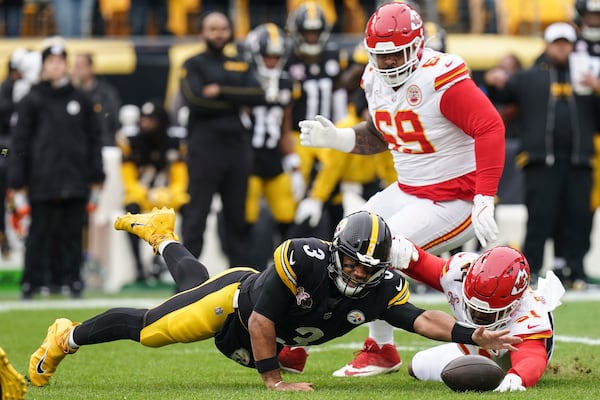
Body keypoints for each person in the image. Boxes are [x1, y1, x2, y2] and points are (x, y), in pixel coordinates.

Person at [27, 207, 521, 391]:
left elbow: (418, 318)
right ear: (335, 251)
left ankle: (161, 237)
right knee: (155, 330)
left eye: (366, 267)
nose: (355, 273)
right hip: (237, 304)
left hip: (269, 331)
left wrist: (470, 334)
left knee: (187, 288)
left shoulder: (381, 284)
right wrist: (273, 380)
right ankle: (64, 338)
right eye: (350, 262)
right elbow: (262, 318)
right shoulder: (302, 257)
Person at [297, 2, 505, 376]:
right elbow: (385, 133)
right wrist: (338, 137)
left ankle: (381, 347)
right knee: (349, 234)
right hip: (409, 189)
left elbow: (489, 127)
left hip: (453, 198)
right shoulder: (373, 77)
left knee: (378, 251)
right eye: (382, 55)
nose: (389, 63)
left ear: (418, 46)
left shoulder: (440, 78)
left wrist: (484, 195)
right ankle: (326, 339)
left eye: (397, 54)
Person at [485, 22, 599, 290]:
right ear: (547, 45)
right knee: (540, 216)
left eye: (566, 43)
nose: (561, 48)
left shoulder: (587, 76)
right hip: (540, 161)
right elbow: (503, 93)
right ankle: (531, 270)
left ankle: (575, 271)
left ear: (572, 46)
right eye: (556, 43)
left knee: (578, 218)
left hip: (579, 161)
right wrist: (493, 80)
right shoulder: (530, 77)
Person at [390, 238, 564, 392]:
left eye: (487, 313)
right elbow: (420, 263)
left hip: (508, 358)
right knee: (417, 366)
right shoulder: (459, 273)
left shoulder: (528, 312)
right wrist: (400, 249)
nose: (477, 316)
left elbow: (532, 356)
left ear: (514, 304)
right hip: (472, 346)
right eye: (473, 308)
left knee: (495, 378)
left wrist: (518, 376)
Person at [8, 37, 105, 299]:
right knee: (39, 233)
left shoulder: (81, 100)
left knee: (72, 234)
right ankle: (33, 281)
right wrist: (17, 179)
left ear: (67, 65)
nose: (56, 67)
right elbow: (20, 142)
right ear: (43, 66)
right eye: (51, 62)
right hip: (42, 180)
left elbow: (95, 139)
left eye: (60, 62)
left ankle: (71, 279)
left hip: (75, 179)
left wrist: (97, 175)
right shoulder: (32, 100)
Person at [178, 11, 265, 265]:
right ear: (202, 33)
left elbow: (258, 95)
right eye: (212, 28)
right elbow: (195, 101)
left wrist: (220, 91)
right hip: (204, 148)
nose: (218, 34)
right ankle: (186, 277)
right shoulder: (192, 63)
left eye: (223, 28)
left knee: (237, 218)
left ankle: (239, 278)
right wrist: (236, 102)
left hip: (236, 148)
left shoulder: (240, 61)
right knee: (197, 215)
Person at [242, 22, 305, 269]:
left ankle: (283, 269)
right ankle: (242, 269)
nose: (272, 61)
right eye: (268, 56)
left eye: (276, 56)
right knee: (245, 219)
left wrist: (294, 165)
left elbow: (285, 126)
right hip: (248, 159)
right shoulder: (244, 79)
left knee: (287, 215)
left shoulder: (287, 83)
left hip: (274, 160)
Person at [116, 100, 189, 283]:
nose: (145, 123)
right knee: (130, 209)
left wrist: (169, 193)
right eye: (144, 119)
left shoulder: (174, 143)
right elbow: (128, 178)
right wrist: (144, 193)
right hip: (142, 194)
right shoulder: (131, 143)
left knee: (189, 208)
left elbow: (180, 178)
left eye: (151, 119)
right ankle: (139, 266)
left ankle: (165, 260)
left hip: (166, 195)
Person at [71, 52, 122, 147]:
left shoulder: (106, 93)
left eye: (79, 67)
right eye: (75, 67)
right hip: (79, 146)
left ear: (91, 68)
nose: (75, 71)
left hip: (103, 145)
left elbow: (114, 121)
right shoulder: (72, 93)